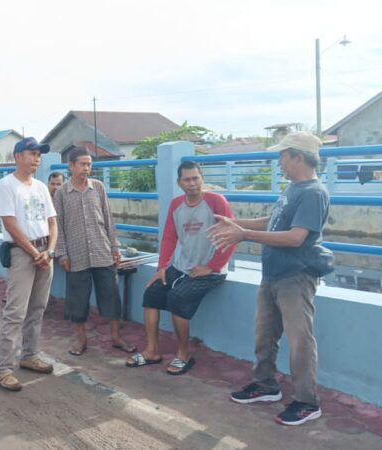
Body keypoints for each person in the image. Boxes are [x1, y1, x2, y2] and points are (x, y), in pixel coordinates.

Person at [208, 132, 328, 426]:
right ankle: (265, 385)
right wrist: (236, 224)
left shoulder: (313, 192)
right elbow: (273, 222)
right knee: (264, 334)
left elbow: (296, 237)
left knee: (300, 340)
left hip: (295, 277)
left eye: (282, 156)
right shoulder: (292, 189)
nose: (279, 162)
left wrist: (243, 234)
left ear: (298, 156)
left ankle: (306, 402)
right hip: (273, 275)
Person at [127, 161, 235, 375]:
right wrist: (161, 268)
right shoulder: (177, 204)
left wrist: (212, 267)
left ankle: (183, 354)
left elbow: (231, 235)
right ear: (179, 182)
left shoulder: (216, 201)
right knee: (151, 293)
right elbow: (169, 237)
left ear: (202, 179)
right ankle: (151, 351)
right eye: (187, 179)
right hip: (180, 265)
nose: (193, 183)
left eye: (196, 178)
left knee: (178, 297)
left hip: (210, 270)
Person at [54, 146, 135, 356]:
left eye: (89, 164)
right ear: (71, 166)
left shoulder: (97, 187)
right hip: (76, 255)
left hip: (102, 251)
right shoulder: (62, 193)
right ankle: (81, 340)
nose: (86, 168)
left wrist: (114, 247)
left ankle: (116, 337)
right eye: (82, 164)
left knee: (110, 295)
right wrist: (62, 253)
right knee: (78, 299)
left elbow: (108, 219)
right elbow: (57, 226)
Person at [0, 137, 58, 392]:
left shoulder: (41, 187)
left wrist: (49, 252)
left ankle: (29, 355)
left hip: (45, 251)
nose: (36, 158)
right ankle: (4, 369)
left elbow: (52, 221)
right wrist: (34, 253)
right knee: (15, 311)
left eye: (38, 154)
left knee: (38, 307)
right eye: (32, 153)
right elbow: (9, 223)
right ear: (18, 156)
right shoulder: (6, 185)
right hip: (22, 252)